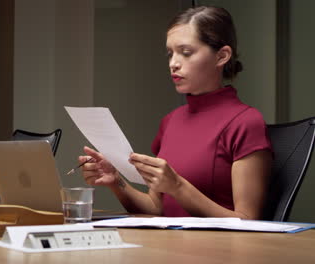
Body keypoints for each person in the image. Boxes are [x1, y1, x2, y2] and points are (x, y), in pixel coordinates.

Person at [79, 6, 273, 220]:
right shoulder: (171, 121)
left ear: (222, 56)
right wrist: (116, 181)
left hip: (216, 251)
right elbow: (156, 208)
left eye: (186, 53)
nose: (173, 63)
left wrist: (178, 186)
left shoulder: (245, 122)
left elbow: (248, 221)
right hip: (170, 246)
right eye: (170, 53)